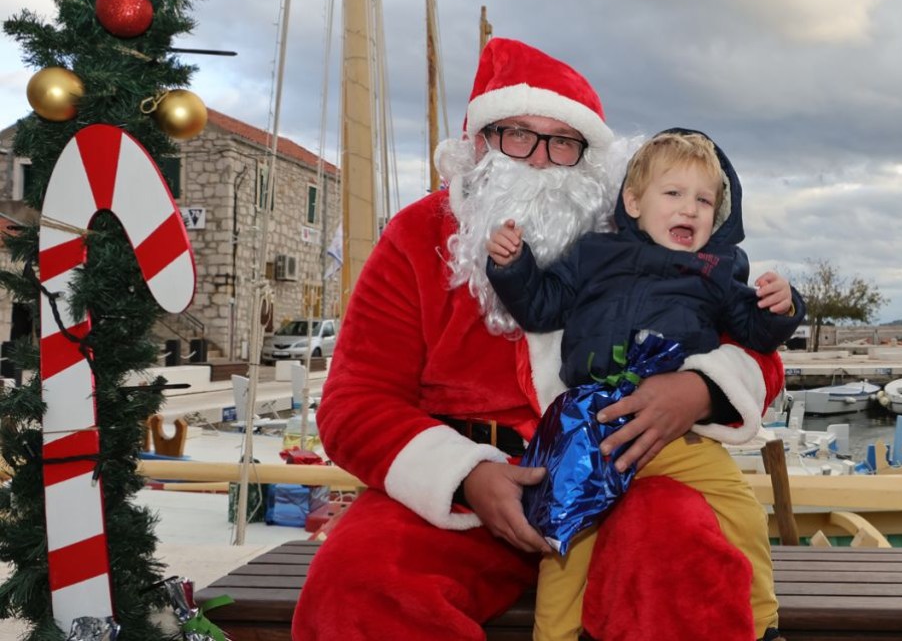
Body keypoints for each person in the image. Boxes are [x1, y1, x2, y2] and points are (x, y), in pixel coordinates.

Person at [292, 38, 787, 641]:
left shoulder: (643, 232)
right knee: (358, 582)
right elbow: (354, 402)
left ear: (589, 158)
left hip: (626, 477)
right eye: (518, 135)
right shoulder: (417, 237)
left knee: (676, 543)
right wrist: (468, 474)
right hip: (471, 495)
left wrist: (698, 390)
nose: (540, 160)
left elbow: (759, 349)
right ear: (479, 144)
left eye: (562, 141)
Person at [485, 129, 805, 641]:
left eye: (704, 200)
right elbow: (541, 306)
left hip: (676, 434)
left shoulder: (718, 271)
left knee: (741, 511)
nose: (691, 209)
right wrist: (512, 267)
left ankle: (762, 622)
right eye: (673, 194)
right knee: (568, 534)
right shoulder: (592, 255)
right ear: (633, 202)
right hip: (594, 425)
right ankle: (554, 636)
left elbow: (754, 334)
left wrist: (783, 308)